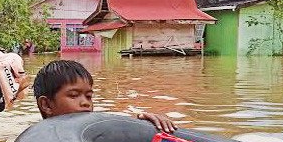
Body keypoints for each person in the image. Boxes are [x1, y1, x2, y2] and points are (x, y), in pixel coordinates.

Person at [33, 59, 176, 132]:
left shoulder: (95, 133)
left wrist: (141, 125)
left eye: (89, 96)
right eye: (74, 95)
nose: (86, 103)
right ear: (46, 105)